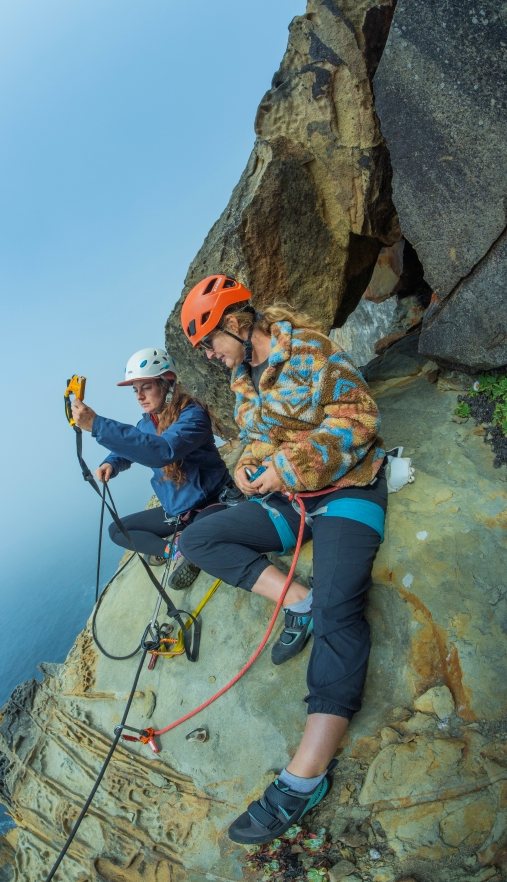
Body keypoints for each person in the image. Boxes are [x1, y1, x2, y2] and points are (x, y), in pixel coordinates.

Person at [178, 276, 387, 844]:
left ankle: (304, 777)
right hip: (292, 499)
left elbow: (360, 418)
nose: (206, 353)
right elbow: (255, 436)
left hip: (348, 489)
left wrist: (288, 468)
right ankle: (299, 597)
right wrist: (251, 466)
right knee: (196, 540)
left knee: (341, 614)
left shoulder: (309, 349)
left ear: (237, 322)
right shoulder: (243, 379)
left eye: (207, 340)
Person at [70, 347, 238, 590]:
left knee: (198, 537)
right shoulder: (147, 423)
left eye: (146, 387)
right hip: (177, 511)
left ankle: (189, 546)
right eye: (136, 390)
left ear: (167, 382)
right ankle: (175, 550)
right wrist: (112, 462)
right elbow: (138, 444)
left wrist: (97, 425)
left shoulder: (192, 415)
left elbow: (161, 450)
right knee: (118, 530)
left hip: (212, 502)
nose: (139, 396)